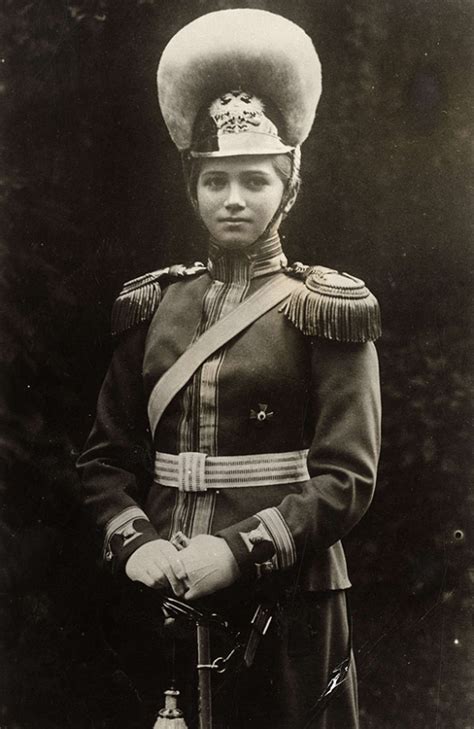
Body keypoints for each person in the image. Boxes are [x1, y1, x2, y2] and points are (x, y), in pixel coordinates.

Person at [77, 9, 381, 729]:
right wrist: (136, 544)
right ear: (193, 188)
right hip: (167, 594)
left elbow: (347, 478)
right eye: (216, 181)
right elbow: (103, 460)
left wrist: (237, 551)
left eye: (255, 179)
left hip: (289, 598)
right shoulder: (154, 307)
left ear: (288, 187)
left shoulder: (326, 310)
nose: (235, 198)